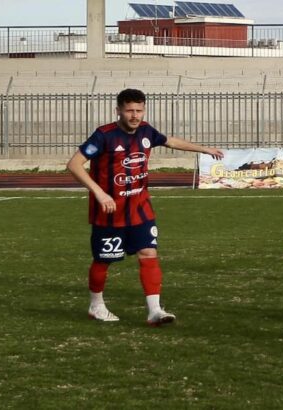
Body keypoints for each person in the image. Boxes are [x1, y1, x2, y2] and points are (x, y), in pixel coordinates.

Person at [67, 88, 223, 326]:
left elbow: (170, 141)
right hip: (109, 213)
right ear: (118, 110)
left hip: (140, 209)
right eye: (129, 110)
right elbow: (74, 164)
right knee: (104, 260)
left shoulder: (147, 131)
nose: (134, 115)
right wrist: (99, 192)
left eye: (139, 110)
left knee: (149, 253)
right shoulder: (104, 135)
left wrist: (204, 149)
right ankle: (96, 305)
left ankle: (155, 311)